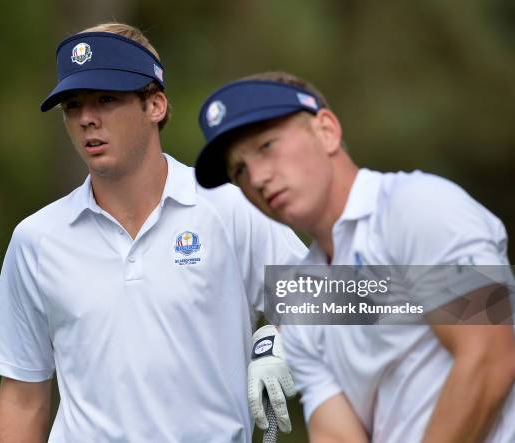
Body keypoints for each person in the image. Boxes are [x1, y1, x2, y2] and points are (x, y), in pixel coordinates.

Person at [0, 26, 307, 442]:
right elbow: (23, 398)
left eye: (106, 99)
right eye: (72, 106)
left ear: (155, 104)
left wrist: (281, 339)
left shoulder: (228, 210)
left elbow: (359, 302)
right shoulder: (36, 239)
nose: (86, 119)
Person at [194, 71, 515, 443]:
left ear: (326, 131)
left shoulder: (417, 206)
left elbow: (490, 357)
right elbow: (337, 434)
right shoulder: (303, 296)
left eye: (267, 146)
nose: (258, 178)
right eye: (240, 170)